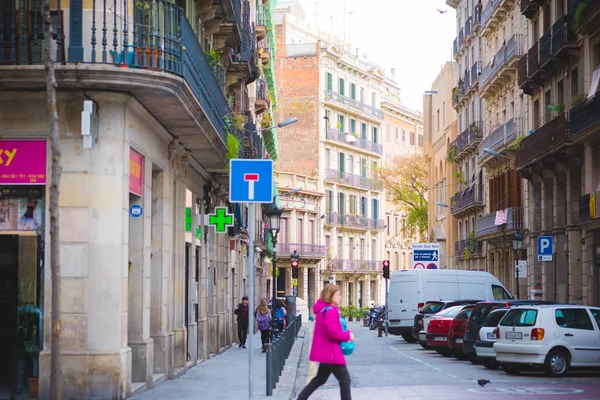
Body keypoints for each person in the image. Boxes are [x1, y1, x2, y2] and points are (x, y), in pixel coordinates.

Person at [297, 284, 354, 400]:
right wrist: (348, 335)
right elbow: (332, 333)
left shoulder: (323, 310)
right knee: (345, 380)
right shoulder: (330, 311)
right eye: (337, 295)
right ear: (330, 296)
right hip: (332, 352)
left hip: (326, 352)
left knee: (320, 379)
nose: (340, 297)